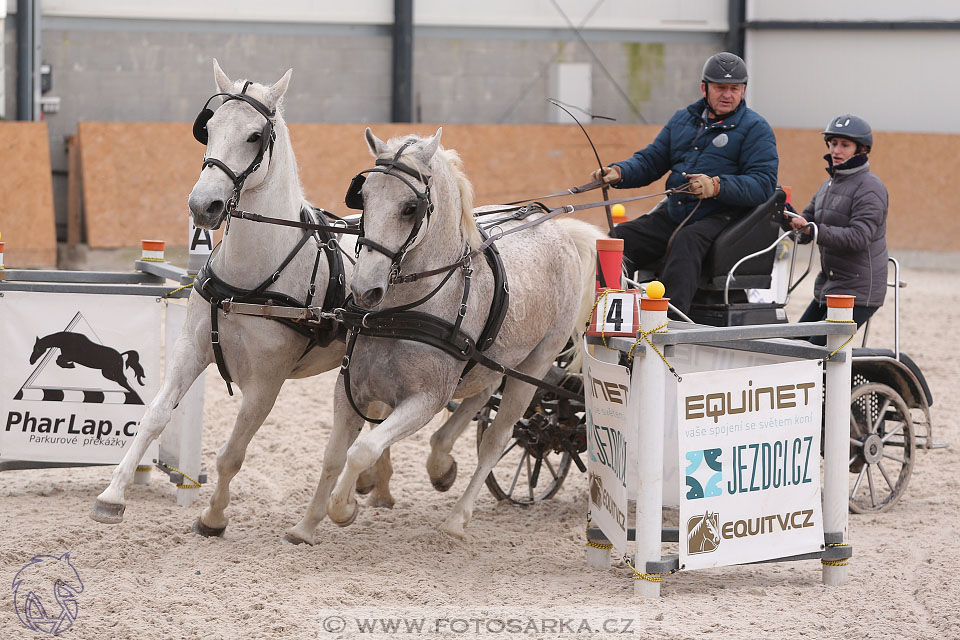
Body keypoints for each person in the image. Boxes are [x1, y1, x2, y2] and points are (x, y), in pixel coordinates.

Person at [591, 52, 778, 315]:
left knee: (686, 243)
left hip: (722, 217)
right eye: (720, 88)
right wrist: (621, 172)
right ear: (705, 88)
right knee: (616, 242)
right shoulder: (682, 120)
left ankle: (667, 325)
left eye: (734, 89)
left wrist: (717, 186)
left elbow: (764, 184)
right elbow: (651, 160)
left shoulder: (756, 129)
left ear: (743, 90)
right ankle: (603, 316)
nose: (727, 95)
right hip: (675, 212)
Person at [786, 114, 888, 345]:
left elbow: (859, 237)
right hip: (830, 287)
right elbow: (806, 227)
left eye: (844, 145)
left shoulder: (870, 187)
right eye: (833, 144)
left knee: (813, 352)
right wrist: (788, 219)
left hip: (858, 293)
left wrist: (813, 230)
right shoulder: (827, 186)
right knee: (792, 345)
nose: (836, 150)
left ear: (861, 150)